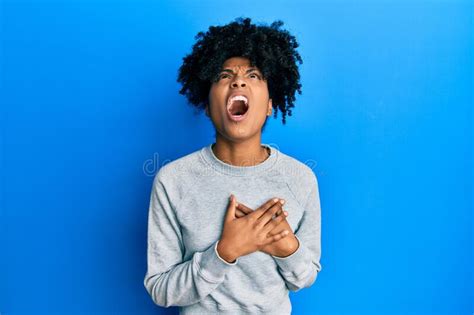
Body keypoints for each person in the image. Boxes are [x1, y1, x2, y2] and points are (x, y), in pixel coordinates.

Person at [143, 17, 322, 314]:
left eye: (253, 75)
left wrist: (287, 248)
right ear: (207, 103)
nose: (238, 81)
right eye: (224, 76)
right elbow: (160, 289)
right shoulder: (172, 180)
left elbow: (305, 276)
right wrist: (225, 251)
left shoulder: (301, 179)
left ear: (269, 104)